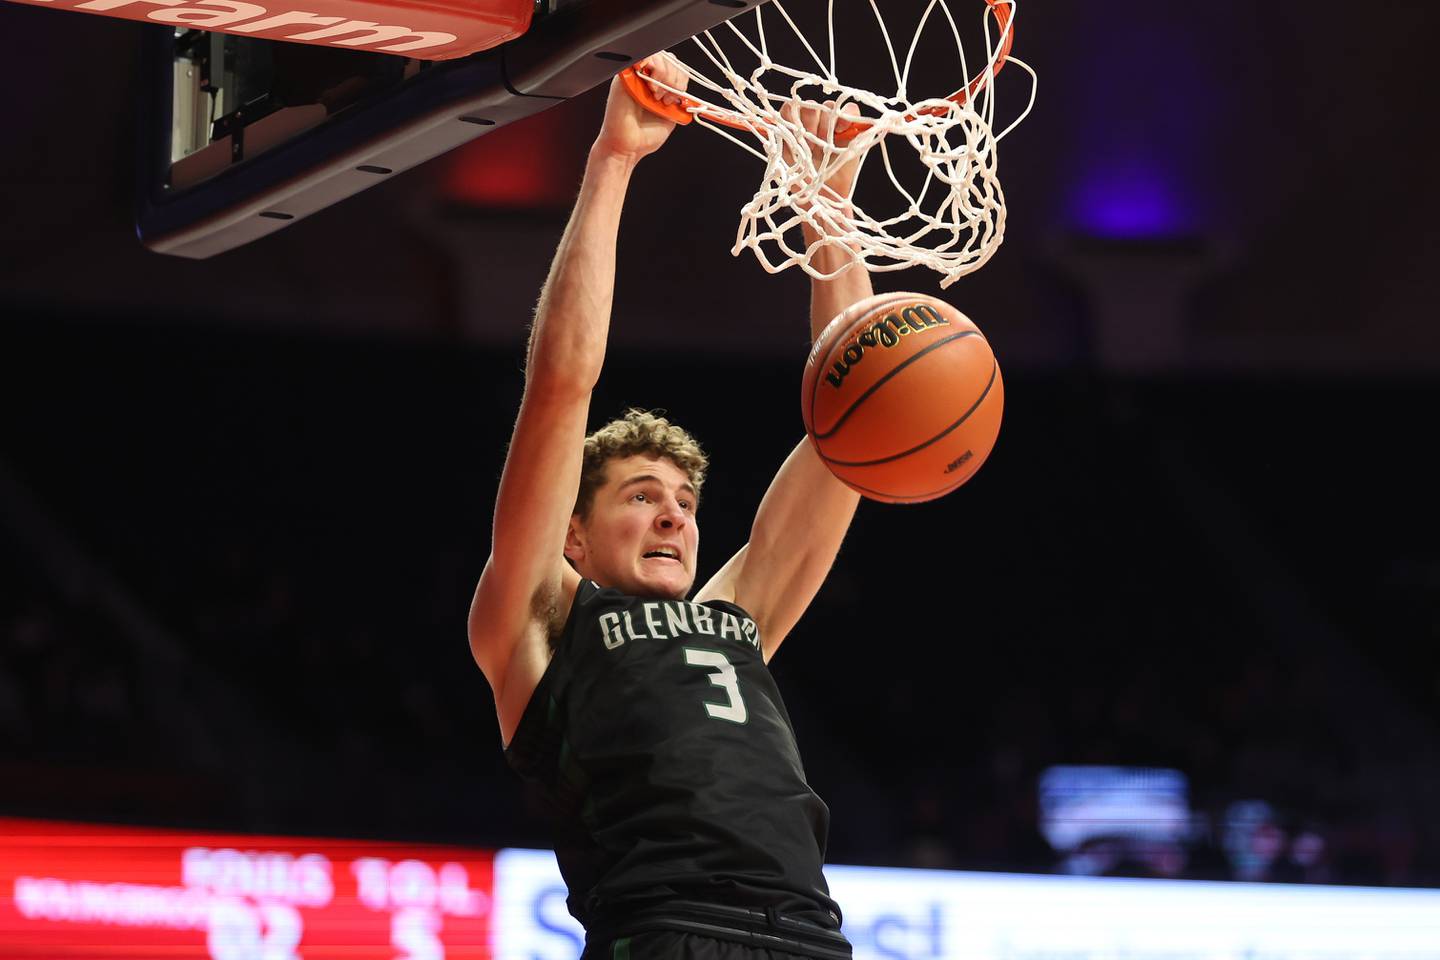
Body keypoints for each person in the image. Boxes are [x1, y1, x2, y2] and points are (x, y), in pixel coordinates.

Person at [467, 55, 872, 960]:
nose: (674, 517)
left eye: (685, 502)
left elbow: (854, 432)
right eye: (641, 496)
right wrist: (613, 158)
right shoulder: (541, 620)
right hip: (665, 934)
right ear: (572, 531)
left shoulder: (736, 619)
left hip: (810, 940)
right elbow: (561, 387)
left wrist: (829, 208)